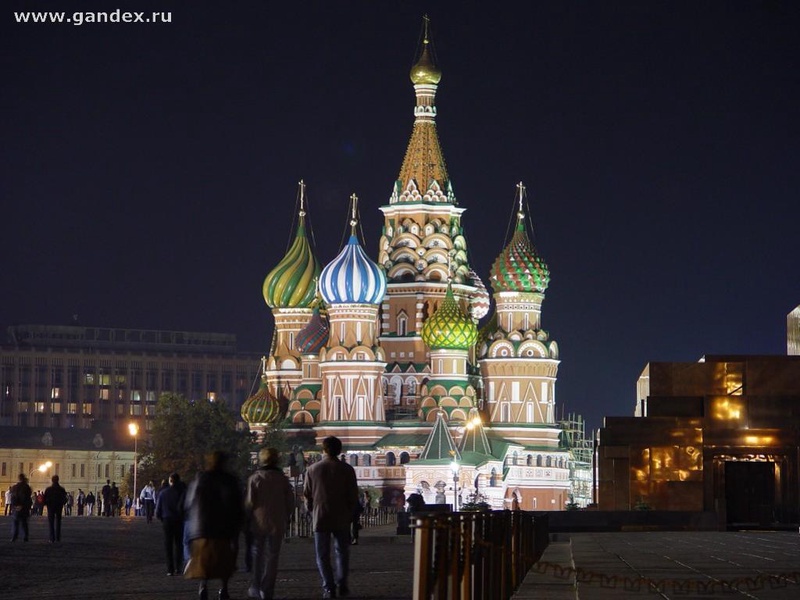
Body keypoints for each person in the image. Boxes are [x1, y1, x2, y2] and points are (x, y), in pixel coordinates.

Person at [303, 436, 359, 599]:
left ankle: (329, 587)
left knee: (322, 554)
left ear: (324, 450)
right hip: (342, 516)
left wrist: (312, 511)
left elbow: (307, 495)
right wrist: (350, 513)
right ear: (339, 450)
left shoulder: (312, 469)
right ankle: (342, 585)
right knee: (342, 552)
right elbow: (353, 495)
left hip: (320, 516)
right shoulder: (347, 469)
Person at [184, 451, 244, 600]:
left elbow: (188, 503)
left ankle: (203, 587)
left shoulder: (199, 480)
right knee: (225, 559)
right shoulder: (230, 480)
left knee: (203, 558)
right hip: (224, 527)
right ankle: (224, 588)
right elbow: (236, 504)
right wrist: (239, 523)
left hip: (201, 527)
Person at [245, 447, 294, 600]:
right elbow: (290, 501)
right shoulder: (282, 479)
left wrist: (247, 516)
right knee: (273, 556)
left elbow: (250, 502)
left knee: (257, 553)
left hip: (258, 521)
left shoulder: (255, 478)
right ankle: (267, 588)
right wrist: (287, 516)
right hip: (277, 521)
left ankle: (255, 584)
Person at [155, 473, 187, 576]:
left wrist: (161, 518)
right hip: (178, 520)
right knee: (179, 544)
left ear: (170, 481)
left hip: (167, 520)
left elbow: (158, 510)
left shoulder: (163, 493)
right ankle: (178, 567)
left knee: (168, 545)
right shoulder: (182, 493)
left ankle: (170, 569)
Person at [43, 474, 68, 542]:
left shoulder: (48, 489)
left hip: (51, 507)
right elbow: (65, 498)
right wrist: (62, 503)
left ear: (52, 480)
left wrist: (46, 504)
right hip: (59, 506)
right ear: (58, 480)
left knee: (51, 523)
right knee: (58, 522)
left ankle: (52, 538)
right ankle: (58, 537)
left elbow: (44, 499)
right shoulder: (61, 489)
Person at [10, 473, 33, 542]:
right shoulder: (27, 487)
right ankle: (25, 536)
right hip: (24, 507)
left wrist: (15, 505)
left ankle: (14, 536)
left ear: (19, 479)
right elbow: (28, 498)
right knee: (24, 523)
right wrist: (25, 505)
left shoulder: (15, 487)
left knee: (15, 522)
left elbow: (13, 497)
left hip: (16, 507)